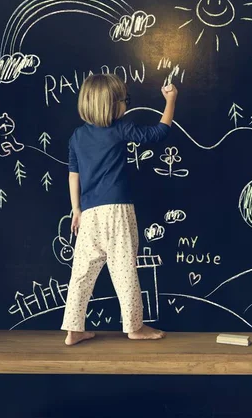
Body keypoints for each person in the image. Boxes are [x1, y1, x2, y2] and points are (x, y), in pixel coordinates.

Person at [61, 74, 177, 345]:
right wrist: (171, 100)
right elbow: (159, 133)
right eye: (125, 100)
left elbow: (73, 175)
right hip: (117, 211)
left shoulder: (77, 136)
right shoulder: (119, 129)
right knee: (124, 269)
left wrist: (76, 209)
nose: (126, 104)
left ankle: (73, 329)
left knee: (81, 273)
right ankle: (134, 327)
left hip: (88, 215)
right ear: (113, 105)